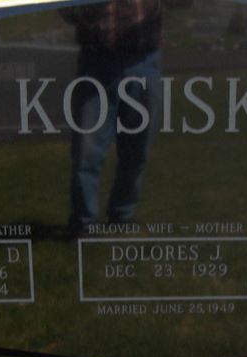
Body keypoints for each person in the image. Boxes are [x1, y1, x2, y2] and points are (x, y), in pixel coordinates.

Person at [62, 0, 163, 237]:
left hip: (144, 60)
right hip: (96, 63)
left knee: (137, 151)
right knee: (86, 153)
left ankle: (122, 216)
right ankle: (84, 223)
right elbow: (66, 10)